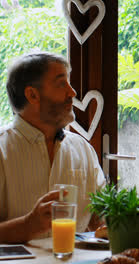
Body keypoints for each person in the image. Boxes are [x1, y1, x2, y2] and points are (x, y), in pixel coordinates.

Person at [0, 51, 105, 243]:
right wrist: (28, 225)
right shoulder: (1, 150)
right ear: (32, 95)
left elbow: (102, 219)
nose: (72, 92)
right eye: (61, 83)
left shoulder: (83, 149)